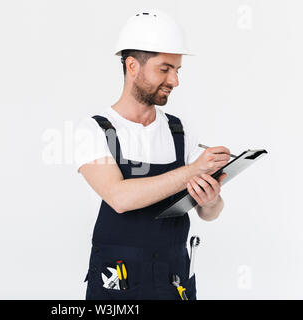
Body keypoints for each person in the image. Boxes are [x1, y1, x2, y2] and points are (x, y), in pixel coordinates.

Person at [75, 9, 230, 300]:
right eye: (165, 69)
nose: (175, 80)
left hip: (174, 281)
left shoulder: (179, 131)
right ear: (132, 66)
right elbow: (119, 198)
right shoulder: (95, 130)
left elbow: (209, 213)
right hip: (118, 286)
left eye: (177, 70)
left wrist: (211, 199)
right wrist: (192, 171)